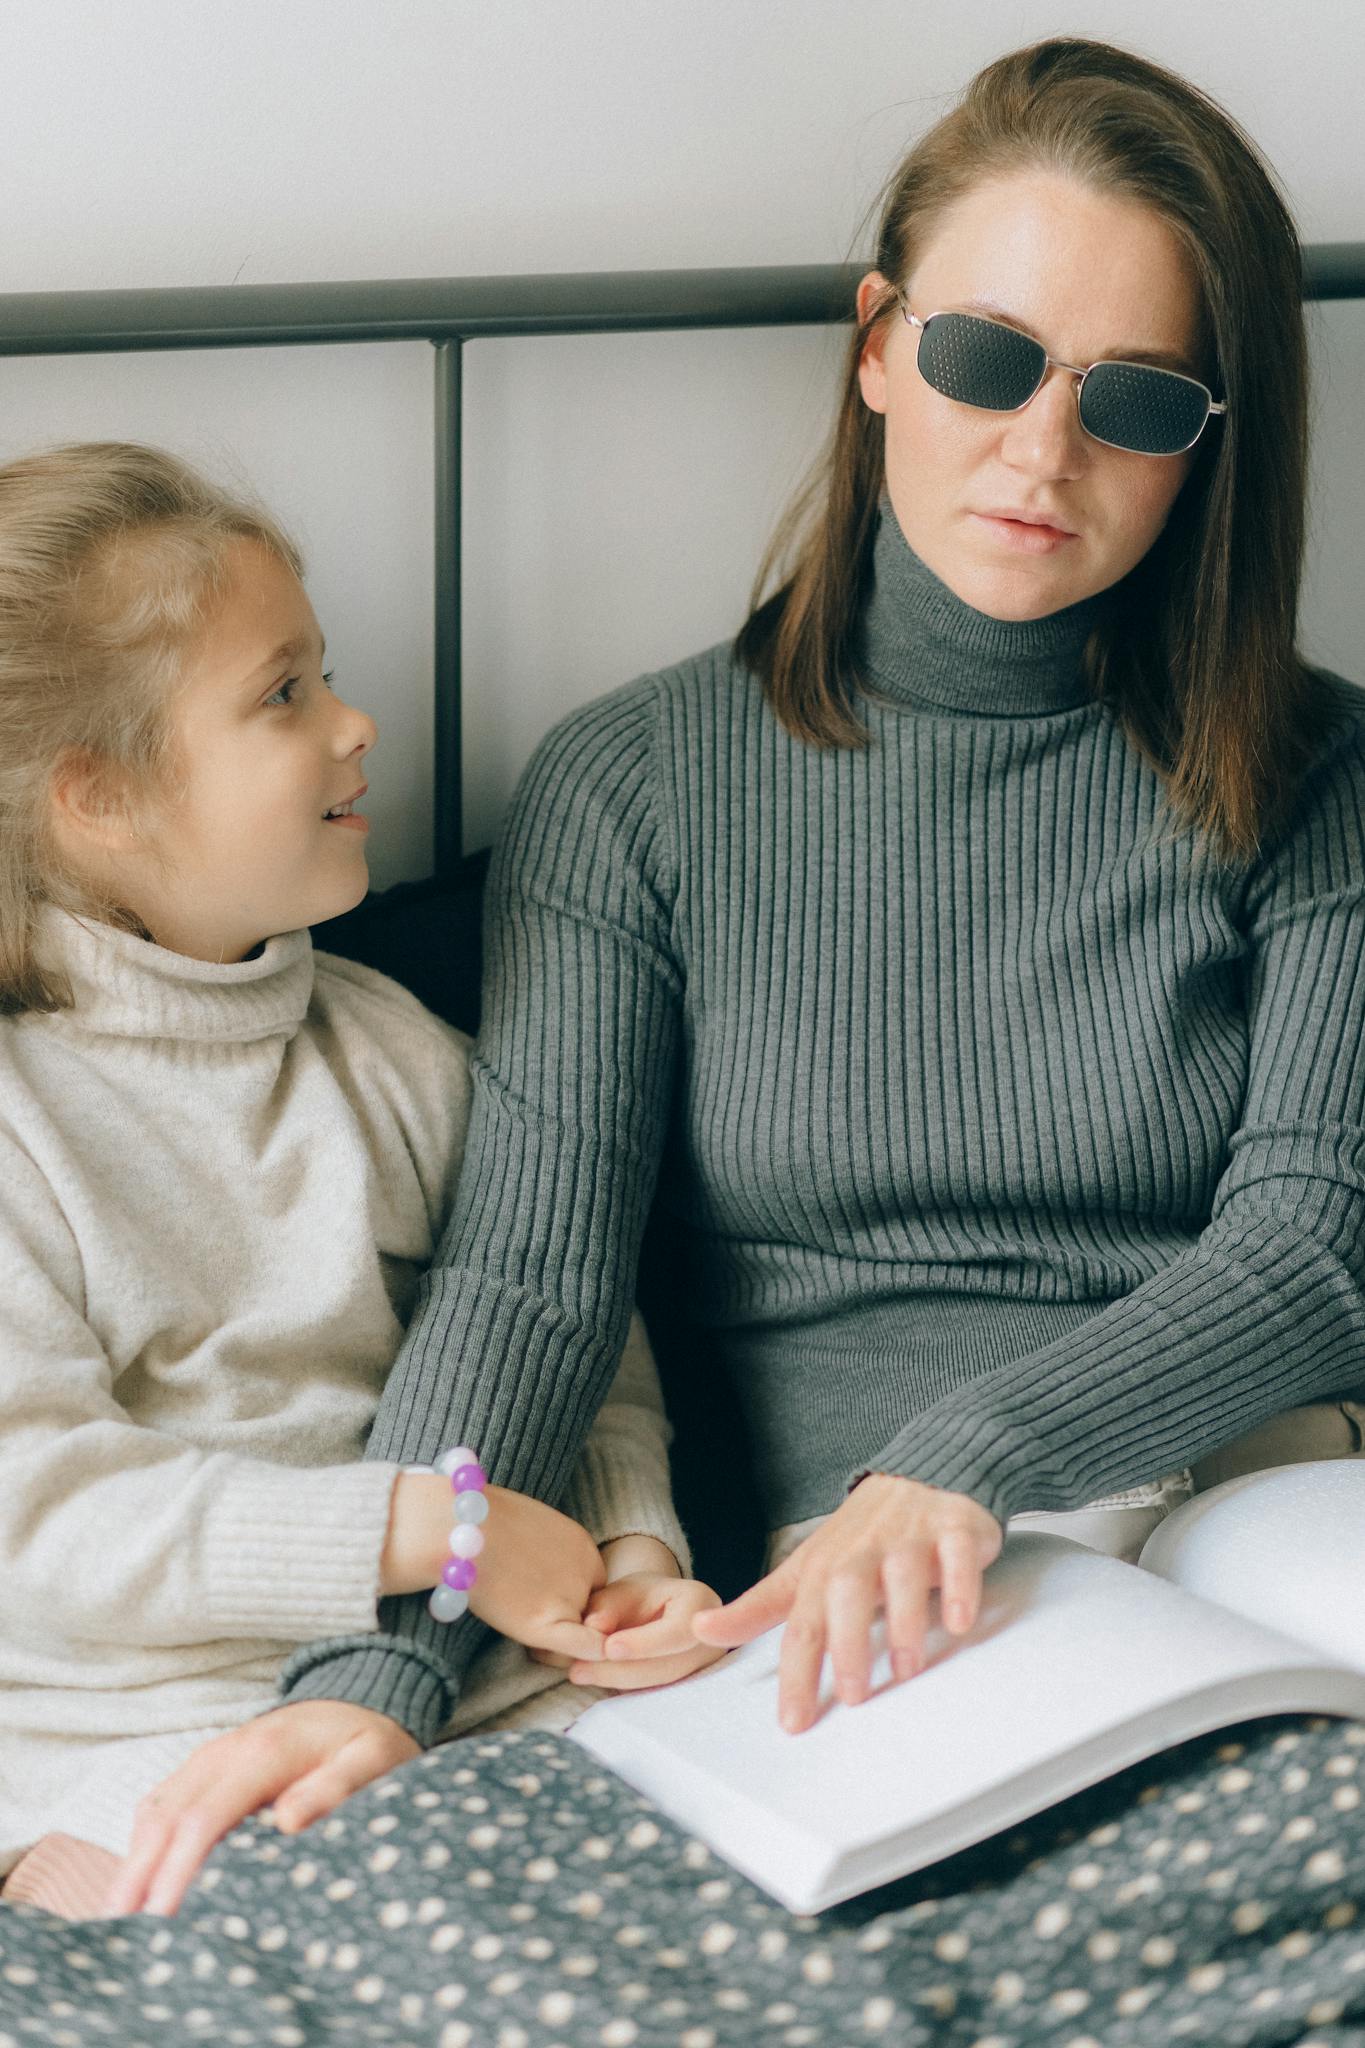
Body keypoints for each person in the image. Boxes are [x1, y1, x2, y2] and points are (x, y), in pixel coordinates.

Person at [121, 33, 1365, 1911]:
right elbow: (533, 1278)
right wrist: (385, 1664)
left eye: (1139, 401)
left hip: (1234, 1493)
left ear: (1213, 443)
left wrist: (973, 1452)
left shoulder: (1318, 777)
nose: (1041, 449)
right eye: (984, 360)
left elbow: (1316, 1244)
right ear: (876, 348)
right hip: (843, 1571)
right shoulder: (636, 786)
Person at [0, 440, 724, 1920]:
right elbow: (44, 1520)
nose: (354, 724)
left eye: (322, 676)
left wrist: (628, 1546)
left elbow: (572, 1339)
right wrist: (423, 1528)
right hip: (139, 1733)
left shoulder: (393, 1050)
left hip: (463, 1684)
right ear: (100, 799)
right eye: (284, 696)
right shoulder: (28, 1118)